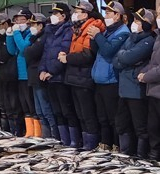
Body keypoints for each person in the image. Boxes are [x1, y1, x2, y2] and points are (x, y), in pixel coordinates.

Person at [58, 0, 105, 150]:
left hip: (84, 77)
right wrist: (66, 54)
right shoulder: (77, 28)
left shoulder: (91, 28)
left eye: (78, 11)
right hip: (74, 76)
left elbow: (88, 55)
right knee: (80, 113)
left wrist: (68, 58)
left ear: (86, 14)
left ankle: (91, 145)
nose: (74, 14)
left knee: (88, 113)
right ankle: (84, 143)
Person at [89, 1, 130, 151]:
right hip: (99, 79)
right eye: (105, 13)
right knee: (102, 116)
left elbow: (108, 50)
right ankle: (105, 142)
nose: (106, 16)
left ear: (117, 15)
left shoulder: (123, 32)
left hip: (111, 80)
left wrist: (98, 36)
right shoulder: (107, 31)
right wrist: (93, 38)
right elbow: (96, 50)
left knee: (114, 117)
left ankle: (116, 144)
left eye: (108, 13)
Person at [113, 8, 154, 158]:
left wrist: (124, 56)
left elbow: (127, 57)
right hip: (123, 89)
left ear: (147, 24)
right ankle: (125, 154)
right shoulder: (131, 37)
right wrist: (125, 56)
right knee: (122, 123)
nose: (134, 23)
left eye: (138, 20)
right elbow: (117, 60)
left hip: (136, 90)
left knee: (140, 126)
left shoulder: (149, 40)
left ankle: (140, 156)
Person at [39, 2, 75, 146]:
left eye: (56, 14)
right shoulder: (50, 31)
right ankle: (62, 139)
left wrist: (51, 71)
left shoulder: (68, 30)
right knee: (56, 111)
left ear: (63, 16)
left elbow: (64, 53)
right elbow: (45, 54)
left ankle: (73, 141)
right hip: (49, 79)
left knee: (67, 110)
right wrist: (42, 70)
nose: (53, 16)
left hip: (60, 78)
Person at [7, 8, 39, 137]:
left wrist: (16, 34)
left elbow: (23, 48)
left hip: (28, 74)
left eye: (23, 20)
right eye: (17, 20)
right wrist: (9, 36)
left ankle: (37, 132)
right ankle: (29, 131)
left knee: (32, 104)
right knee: (24, 104)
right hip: (19, 74)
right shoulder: (18, 33)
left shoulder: (31, 33)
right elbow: (12, 50)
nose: (19, 22)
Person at [0, 13, 18, 133]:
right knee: (5, 104)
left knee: (16, 104)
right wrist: (0, 58)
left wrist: (2, 56)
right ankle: (9, 129)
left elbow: (10, 53)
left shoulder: (13, 36)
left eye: (0, 25)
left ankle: (18, 129)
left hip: (15, 76)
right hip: (3, 75)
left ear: (6, 23)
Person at [139, 6, 160, 160]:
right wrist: (144, 72)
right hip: (153, 91)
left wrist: (146, 76)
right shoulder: (158, 36)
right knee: (153, 128)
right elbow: (153, 63)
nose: (158, 17)